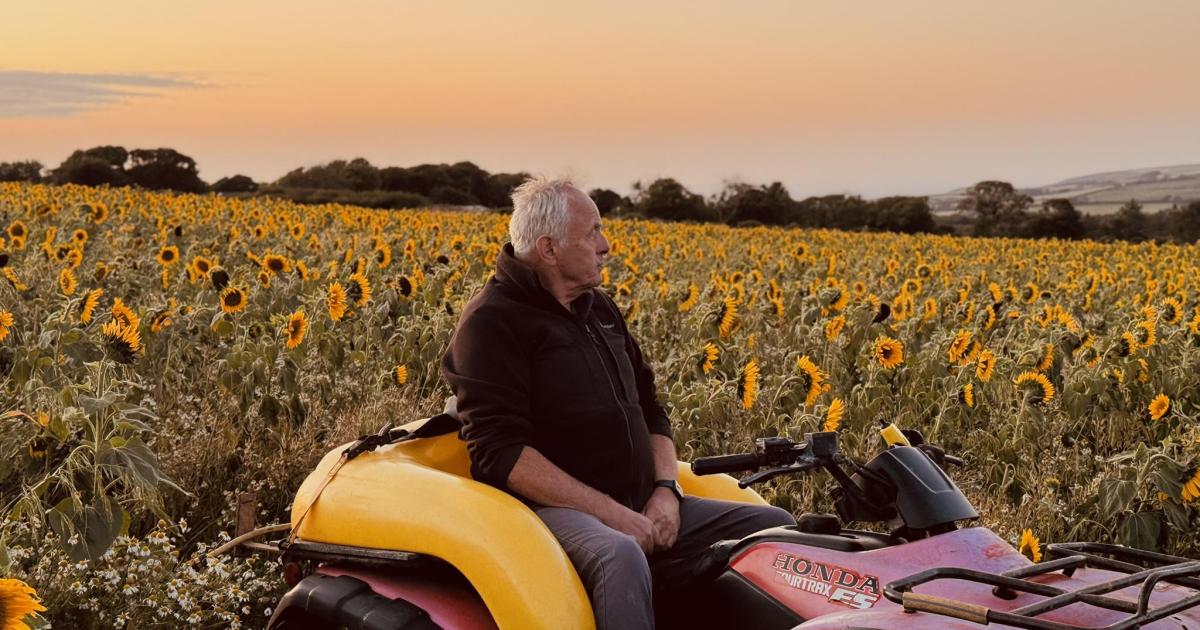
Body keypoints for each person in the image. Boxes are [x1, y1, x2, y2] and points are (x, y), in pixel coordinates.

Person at [441, 176, 795, 629]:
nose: (606, 245)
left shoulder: (599, 309)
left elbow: (652, 411)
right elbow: (501, 453)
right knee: (618, 554)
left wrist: (666, 493)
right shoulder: (492, 322)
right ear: (548, 249)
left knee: (775, 531)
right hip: (544, 516)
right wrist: (615, 516)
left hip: (641, 501)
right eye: (593, 232)